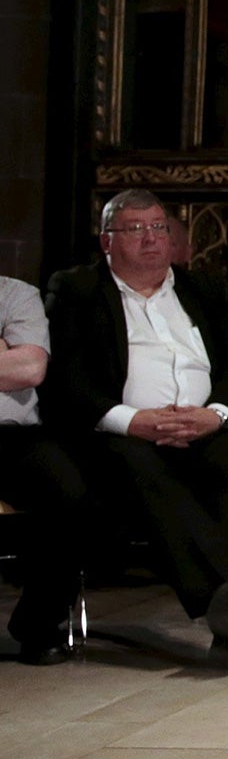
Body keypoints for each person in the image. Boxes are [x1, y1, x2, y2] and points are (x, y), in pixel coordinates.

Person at [42, 188, 228, 653]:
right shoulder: (77, 289)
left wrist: (216, 414)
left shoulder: (200, 289)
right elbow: (66, 377)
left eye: (158, 228)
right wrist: (133, 421)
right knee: (140, 466)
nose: (151, 239)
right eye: (134, 229)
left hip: (201, 427)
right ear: (107, 241)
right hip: (119, 434)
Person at [1, 272, 93, 665]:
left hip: (11, 436)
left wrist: (16, 356)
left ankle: (38, 624)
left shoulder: (16, 293)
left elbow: (31, 368)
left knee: (69, 488)